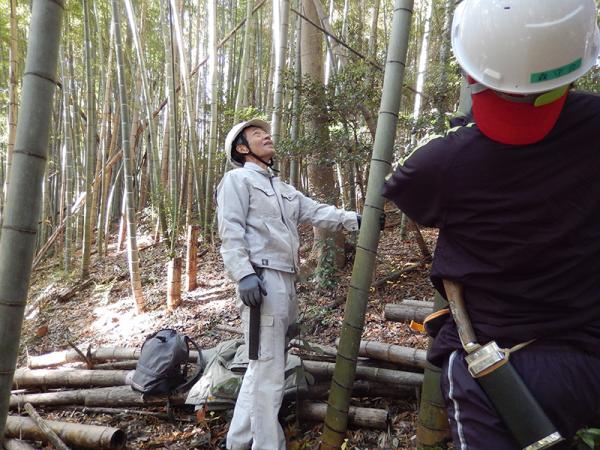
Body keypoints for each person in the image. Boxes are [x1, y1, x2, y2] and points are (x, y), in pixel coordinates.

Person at [382, 0, 600, 448]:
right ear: (577, 67)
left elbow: (402, 188)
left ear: (468, 70)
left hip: (501, 372)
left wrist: (467, 135)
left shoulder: (443, 161)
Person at [216, 119, 359, 450]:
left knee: (263, 365)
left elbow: (316, 212)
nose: (266, 136)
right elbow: (231, 231)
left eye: (265, 132)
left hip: (285, 279)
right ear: (242, 148)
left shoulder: (281, 188)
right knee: (268, 370)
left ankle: (237, 442)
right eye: (256, 135)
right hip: (262, 279)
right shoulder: (237, 181)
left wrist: (356, 220)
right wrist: (243, 274)